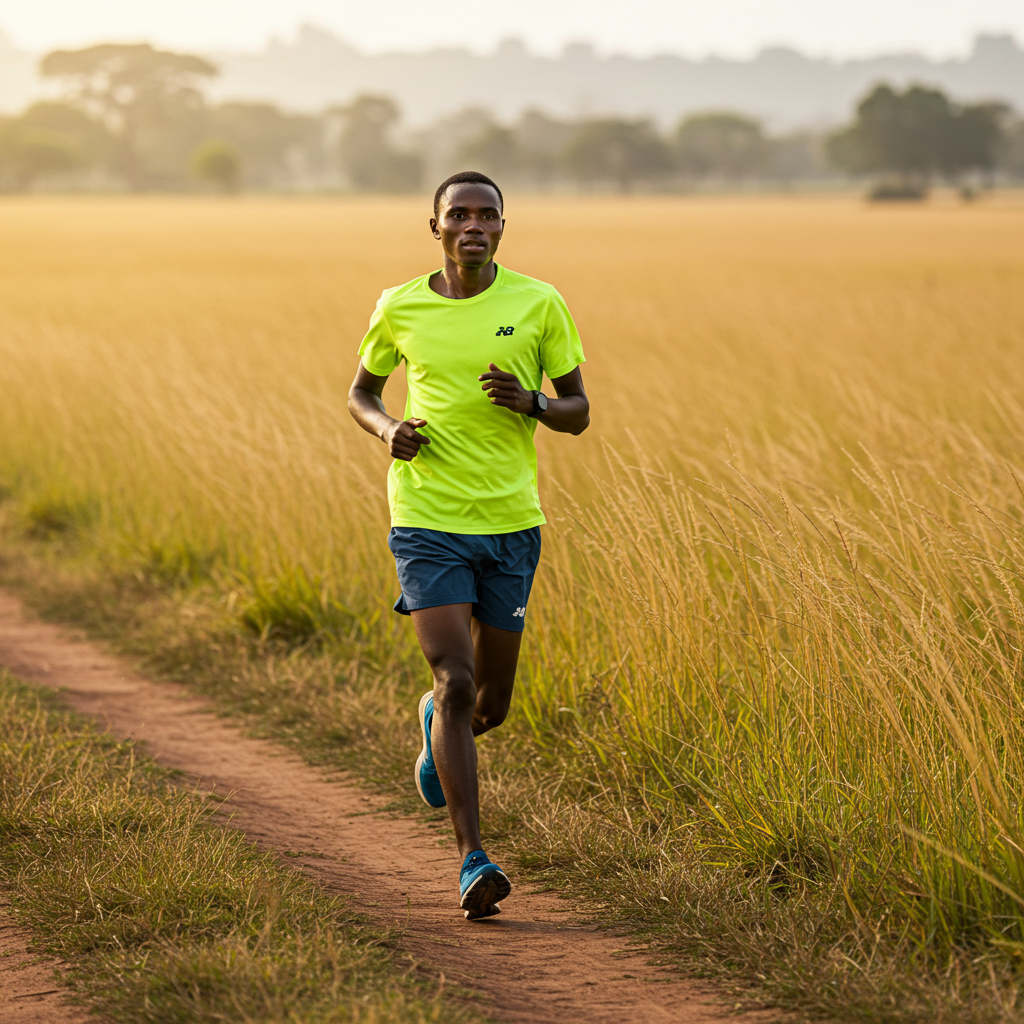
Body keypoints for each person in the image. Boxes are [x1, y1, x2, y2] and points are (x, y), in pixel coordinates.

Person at [348, 170, 590, 920]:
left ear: (502, 227)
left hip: (511, 525)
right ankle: (471, 860)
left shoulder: (538, 302)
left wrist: (534, 402)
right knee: (455, 679)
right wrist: (390, 430)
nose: (474, 225)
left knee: (488, 706)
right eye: (459, 214)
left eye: (487, 214)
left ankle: (435, 724)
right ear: (437, 227)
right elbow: (361, 393)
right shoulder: (400, 305)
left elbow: (579, 411)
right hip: (427, 519)